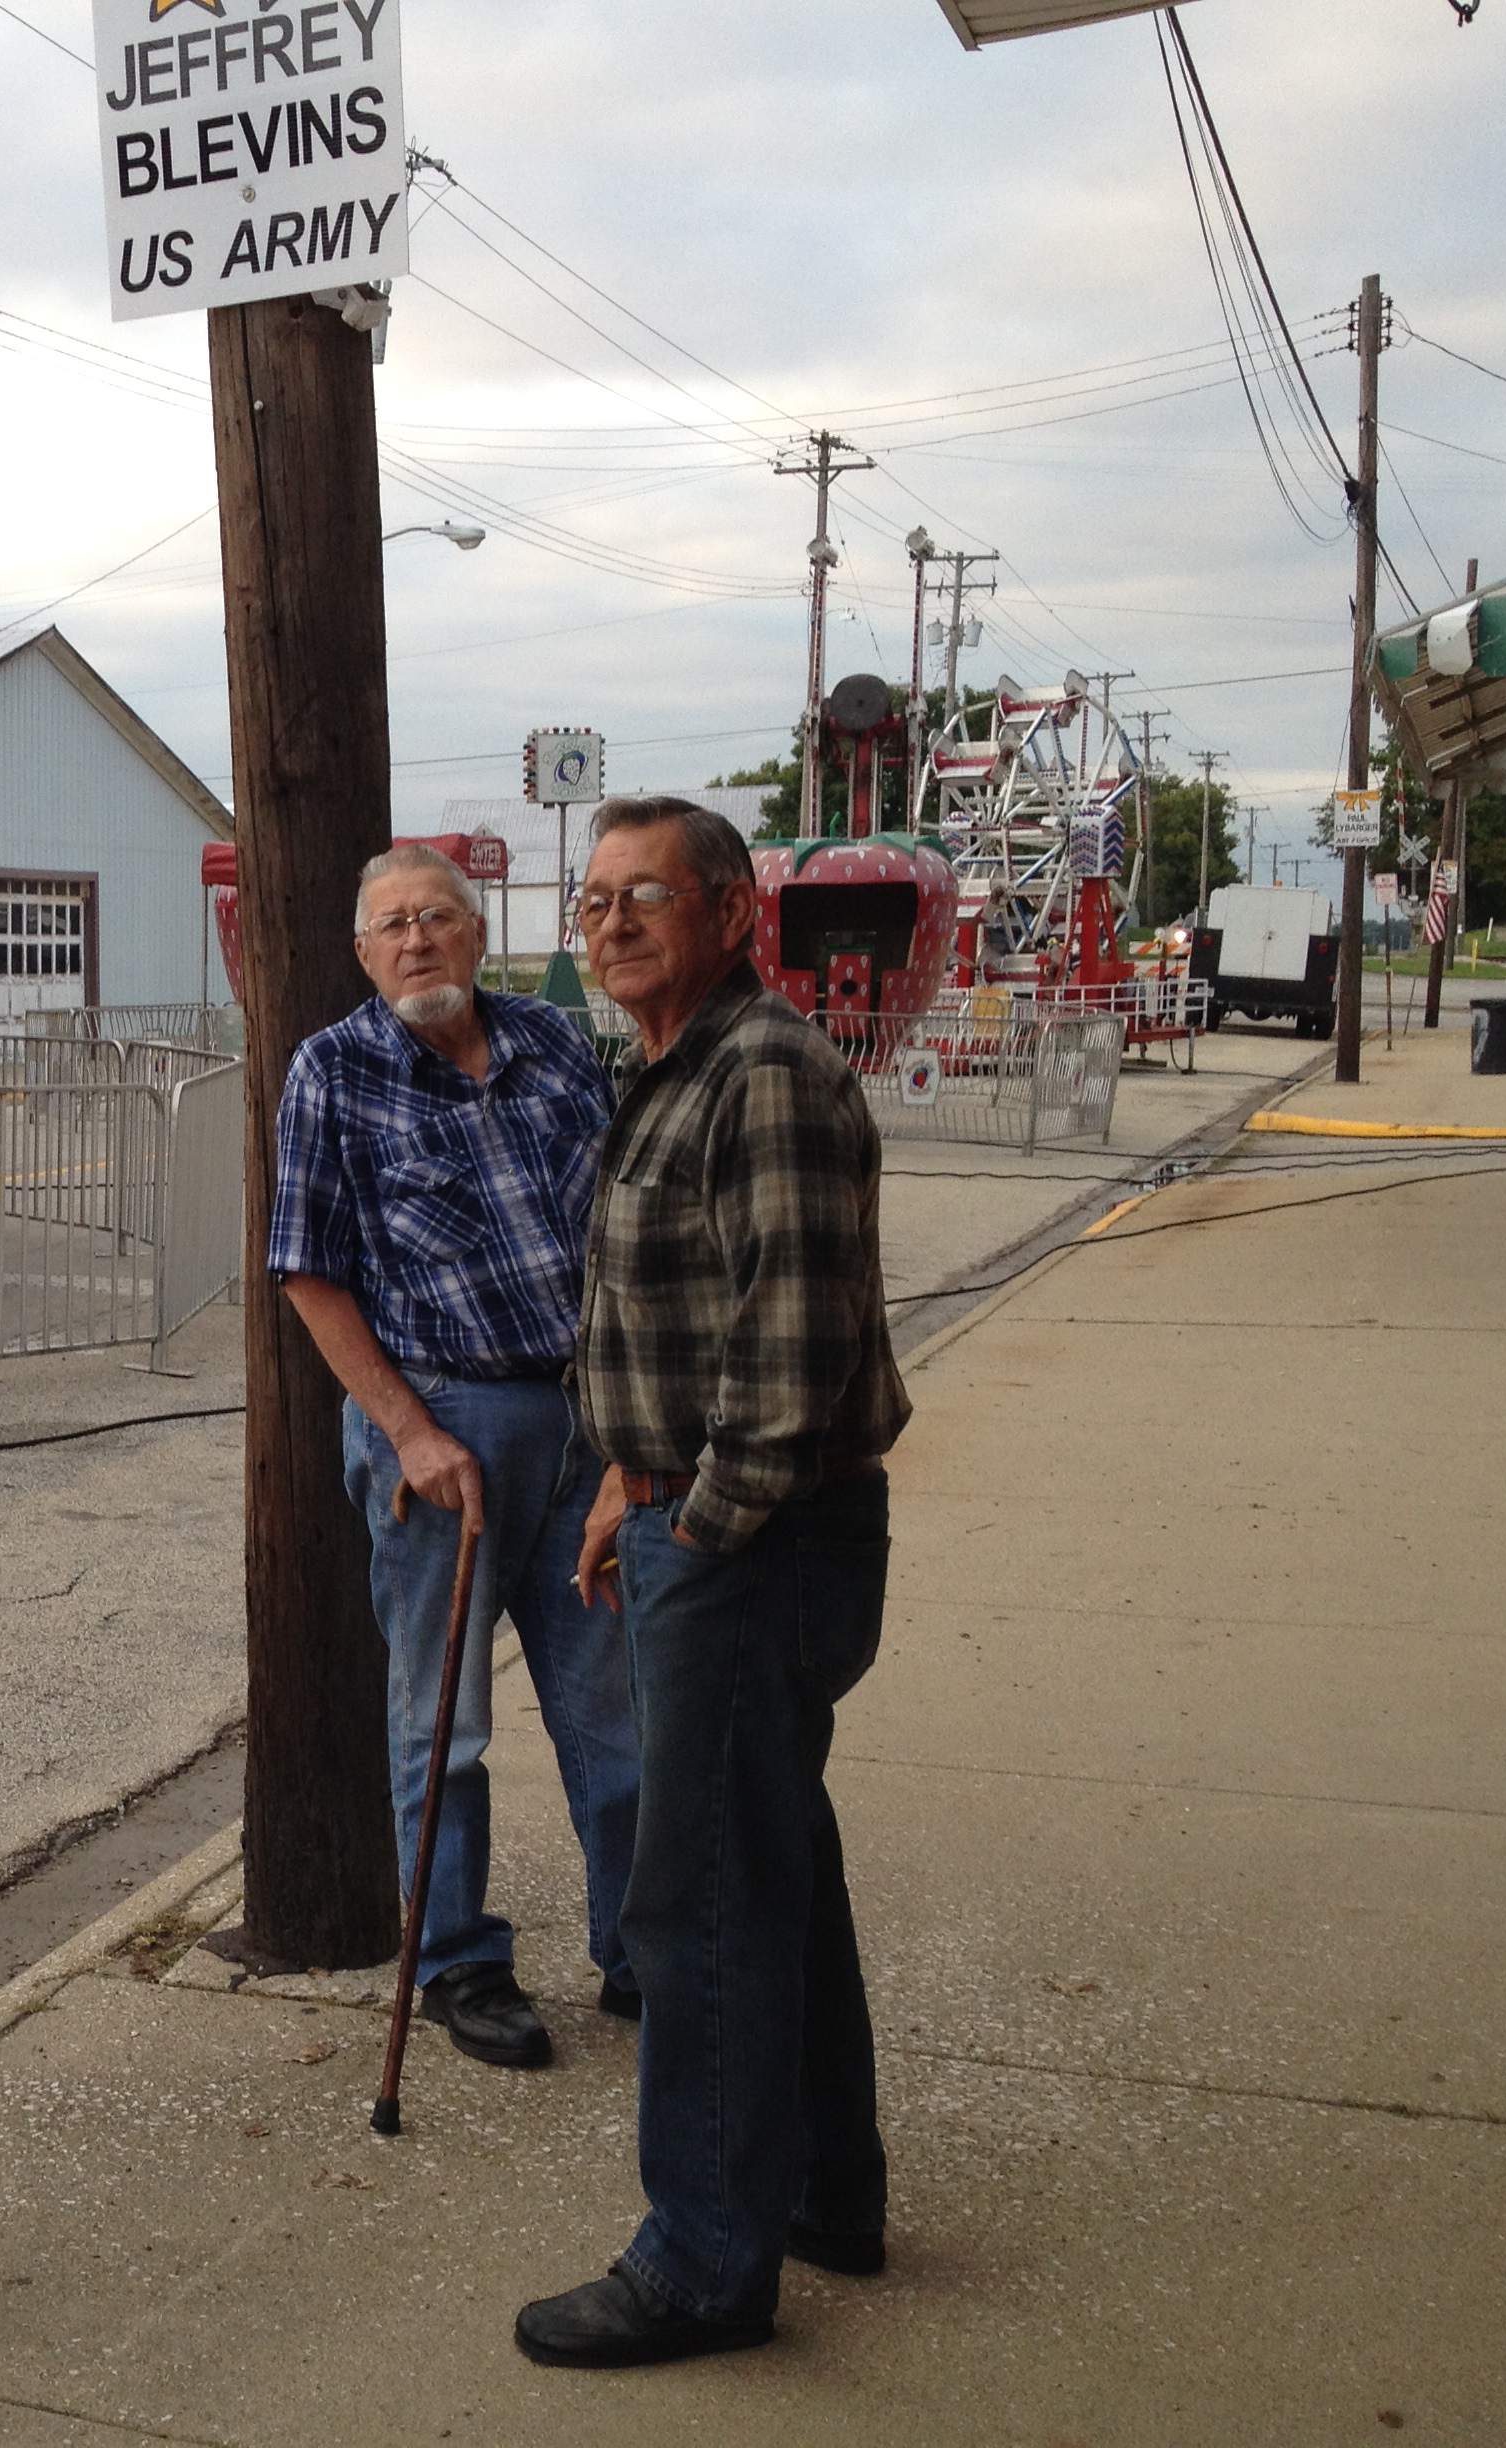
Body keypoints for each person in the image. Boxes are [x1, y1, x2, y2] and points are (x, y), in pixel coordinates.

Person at [514, 798, 908, 2370]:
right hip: (700, 1514)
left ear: (735, 911)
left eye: (645, 898)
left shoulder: (763, 1074)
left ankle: (703, 2264)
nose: (607, 924)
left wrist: (695, 1519)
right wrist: (629, 1476)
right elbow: (672, 1325)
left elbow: (791, 1362)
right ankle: (821, 2189)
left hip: (753, 1543)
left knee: (702, 1906)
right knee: (770, 1865)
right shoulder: (668, 1067)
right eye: (591, 897)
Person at [269, 842, 640, 2070]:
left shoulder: (556, 1044)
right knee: (447, 1724)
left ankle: (642, 1948)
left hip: (587, 1428)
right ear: (363, 953)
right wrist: (408, 1431)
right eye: (390, 926)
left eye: (436, 917)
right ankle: (459, 1962)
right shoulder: (333, 1073)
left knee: (614, 1705)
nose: (415, 941)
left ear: (480, 934)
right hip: (445, 1438)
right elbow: (310, 1276)